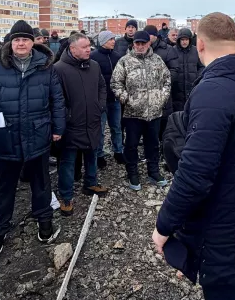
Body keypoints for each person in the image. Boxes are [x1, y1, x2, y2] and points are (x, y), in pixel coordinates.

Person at [152, 12, 235, 300]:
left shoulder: (215, 90)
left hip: (220, 228)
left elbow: (195, 175)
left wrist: (164, 225)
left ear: (200, 44)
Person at [0, 20, 66, 257]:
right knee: (4, 187)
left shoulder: (46, 66)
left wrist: (58, 128)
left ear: (32, 42)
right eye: (17, 39)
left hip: (38, 134)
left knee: (41, 182)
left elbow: (57, 99)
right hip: (6, 137)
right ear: (10, 43)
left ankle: (44, 220)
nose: (21, 43)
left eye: (25, 39)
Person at [53, 33, 109, 215]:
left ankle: (90, 184)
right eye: (84, 47)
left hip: (92, 120)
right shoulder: (59, 69)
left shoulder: (94, 66)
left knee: (92, 154)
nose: (89, 49)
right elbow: (55, 98)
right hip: (72, 124)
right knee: (68, 162)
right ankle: (66, 196)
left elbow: (102, 86)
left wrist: (99, 105)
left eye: (89, 46)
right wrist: (65, 116)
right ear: (72, 49)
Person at [111, 31, 171, 190]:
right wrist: (127, 99)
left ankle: (153, 171)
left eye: (143, 43)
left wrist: (161, 98)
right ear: (133, 44)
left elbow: (167, 81)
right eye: (137, 43)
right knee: (131, 145)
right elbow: (116, 84)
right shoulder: (125, 61)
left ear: (148, 43)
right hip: (132, 114)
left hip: (154, 113)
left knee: (152, 144)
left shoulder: (157, 60)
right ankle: (133, 173)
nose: (140, 46)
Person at [90, 31, 124, 168]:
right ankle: (99, 155)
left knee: (117, 127)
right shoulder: (93, 57)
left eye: (113, 38)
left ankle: (118, 151)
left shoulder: (117, 57)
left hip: (115, 99)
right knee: (101, 129)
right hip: (100, 100)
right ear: (103, 41)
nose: (113, 41)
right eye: (110, 39)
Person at [144, 25, 176, 139]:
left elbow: (174, 70)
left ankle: (164, 146)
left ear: (155, 35)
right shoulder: (143, 49)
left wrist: (162, 83)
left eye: (149, 35)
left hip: (163, 91)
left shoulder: (167, 50)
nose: (147, 37)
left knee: (164, 122)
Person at [167, 28, 203, 112]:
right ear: (179, 40)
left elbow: (201, 66)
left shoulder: (195, 51)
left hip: (193, 88)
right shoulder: (172, 51)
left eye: (186, 39)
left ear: (190, 40)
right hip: (177, 90)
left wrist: (197, 77)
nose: (184, 42)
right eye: (182, 39)